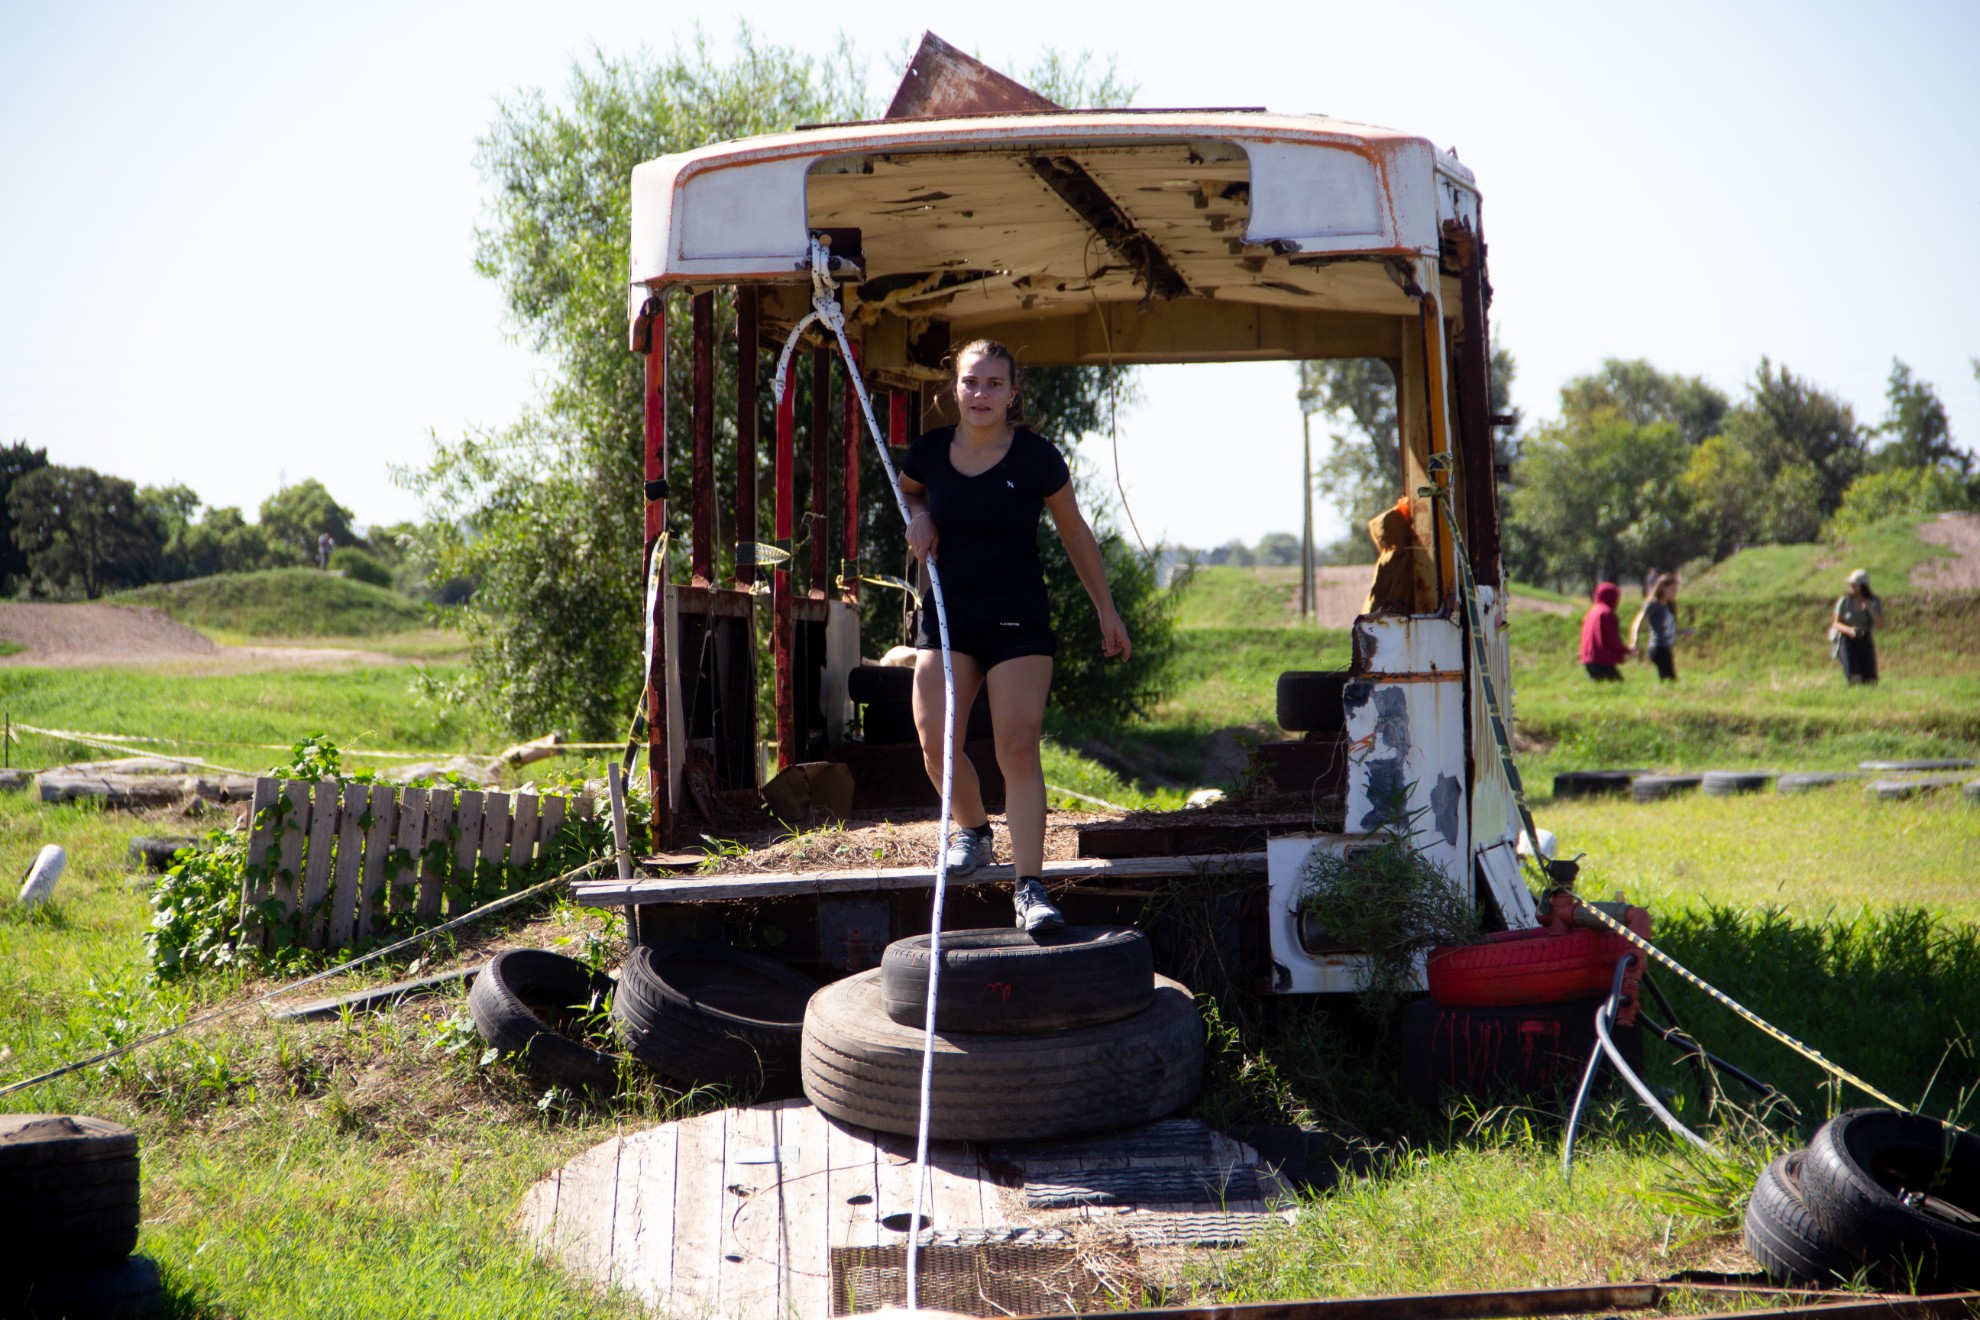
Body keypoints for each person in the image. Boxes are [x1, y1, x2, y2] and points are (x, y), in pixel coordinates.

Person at [899, 339, 1131, 933]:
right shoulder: (926, 453)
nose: (981, 394)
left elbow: (1076, 533)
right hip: (950, 618)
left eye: (994, 384)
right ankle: (975, 831)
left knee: (1017, 747)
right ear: (954, 389)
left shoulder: (1035, 458)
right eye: (971, 382)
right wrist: (918, 514)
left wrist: (1106, 609)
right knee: (934, 741)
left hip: (1017, 620)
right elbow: (910, 490)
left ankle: (1031, 888)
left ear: (1013, 394)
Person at [1629, 574, 1686, 681]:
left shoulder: (1668, 606)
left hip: (1666, 648)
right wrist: (1635, 641)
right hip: (1658, 647)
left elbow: (1667, 629)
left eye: (1676, 589)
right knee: (1670, 680)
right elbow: (1638, 622)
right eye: (1672, 589)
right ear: (1663, 588)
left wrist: (1682, 632)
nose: (1675, 591)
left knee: (1668, 680)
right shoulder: (1653, 604)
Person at [1831, 568, 1884, 685]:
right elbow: (1836, 623)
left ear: (1863, 586)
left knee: (1871, 682)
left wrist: (1870, 609)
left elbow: (1880, 624)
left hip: (1865, 640)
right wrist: (1850, 630)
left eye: (1854, 584)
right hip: (1848, 640)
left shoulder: (1874, 601)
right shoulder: (1845, 600)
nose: (1851, 586)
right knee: (1855, 679)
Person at [1579, 581, 1628, 681]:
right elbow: (1612, 639)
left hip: (1588, 658)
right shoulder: (1607, 613)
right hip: (1601, 658)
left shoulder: (1592, 611)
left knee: (1599, 688)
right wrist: (1626, 650)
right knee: (1617, 686)